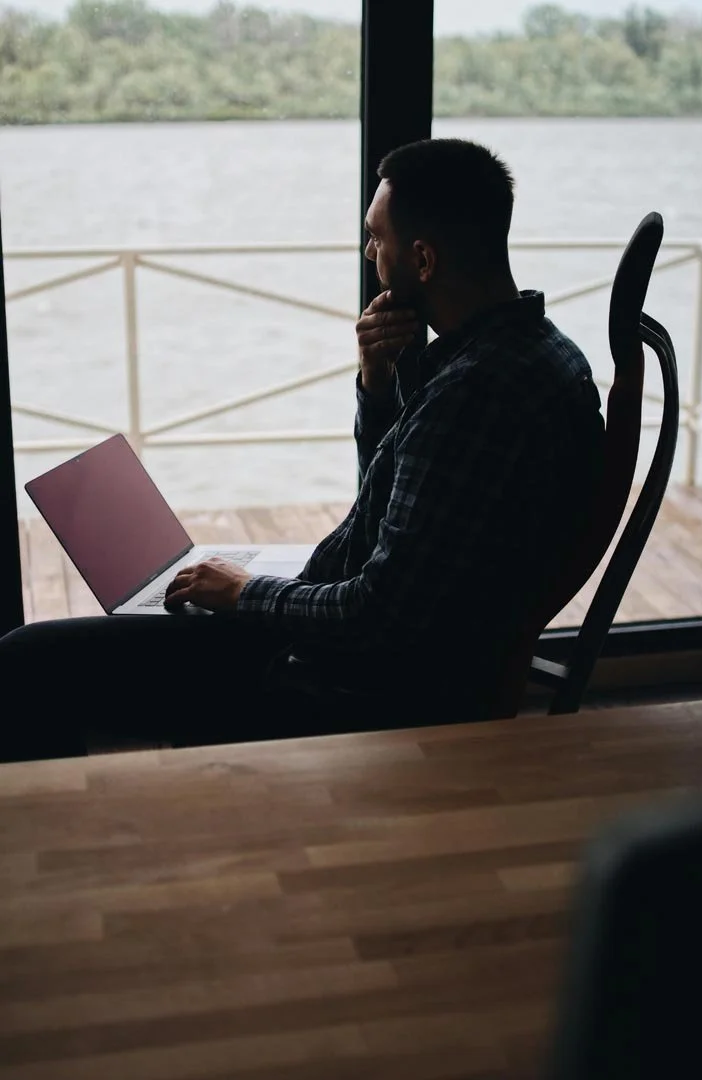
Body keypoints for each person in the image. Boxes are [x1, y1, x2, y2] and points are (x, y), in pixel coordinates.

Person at [0, 138, 605, 761]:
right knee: (110, 627)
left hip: (341, 682)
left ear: (422, 259)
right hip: (343, 639)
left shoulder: (475, 395)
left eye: (376, 238)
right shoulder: (530, 351)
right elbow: (392, 504)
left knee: (22, 662)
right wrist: (378, 382)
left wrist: (244, 593)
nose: (370, 253)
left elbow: (378, 615)